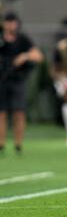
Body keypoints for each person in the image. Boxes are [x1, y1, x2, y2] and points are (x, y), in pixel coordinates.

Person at [0, 12, 43, 154]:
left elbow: (38, 56)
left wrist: (24, 56)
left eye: (14, 22)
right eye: (9, 22)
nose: (12, 25)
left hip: (18, 79)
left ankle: (18, 144)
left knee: (19, 112)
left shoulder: (23, 40)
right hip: (2, 80)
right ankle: (1, 143)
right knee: (2, 113)